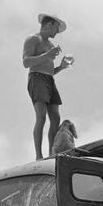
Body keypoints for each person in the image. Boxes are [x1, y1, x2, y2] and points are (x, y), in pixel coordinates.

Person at [23, 13, 74, 160]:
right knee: (41, 117)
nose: (57, 32)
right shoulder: (33, 39)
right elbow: (26, 62)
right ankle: (39, 155)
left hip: (49, 79)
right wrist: (48, 54)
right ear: (49, 24)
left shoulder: (50, 45)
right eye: (56, 28)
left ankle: (53, 153)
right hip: (37, 78)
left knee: (56, 118)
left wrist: (62, 67)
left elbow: (50, 71)